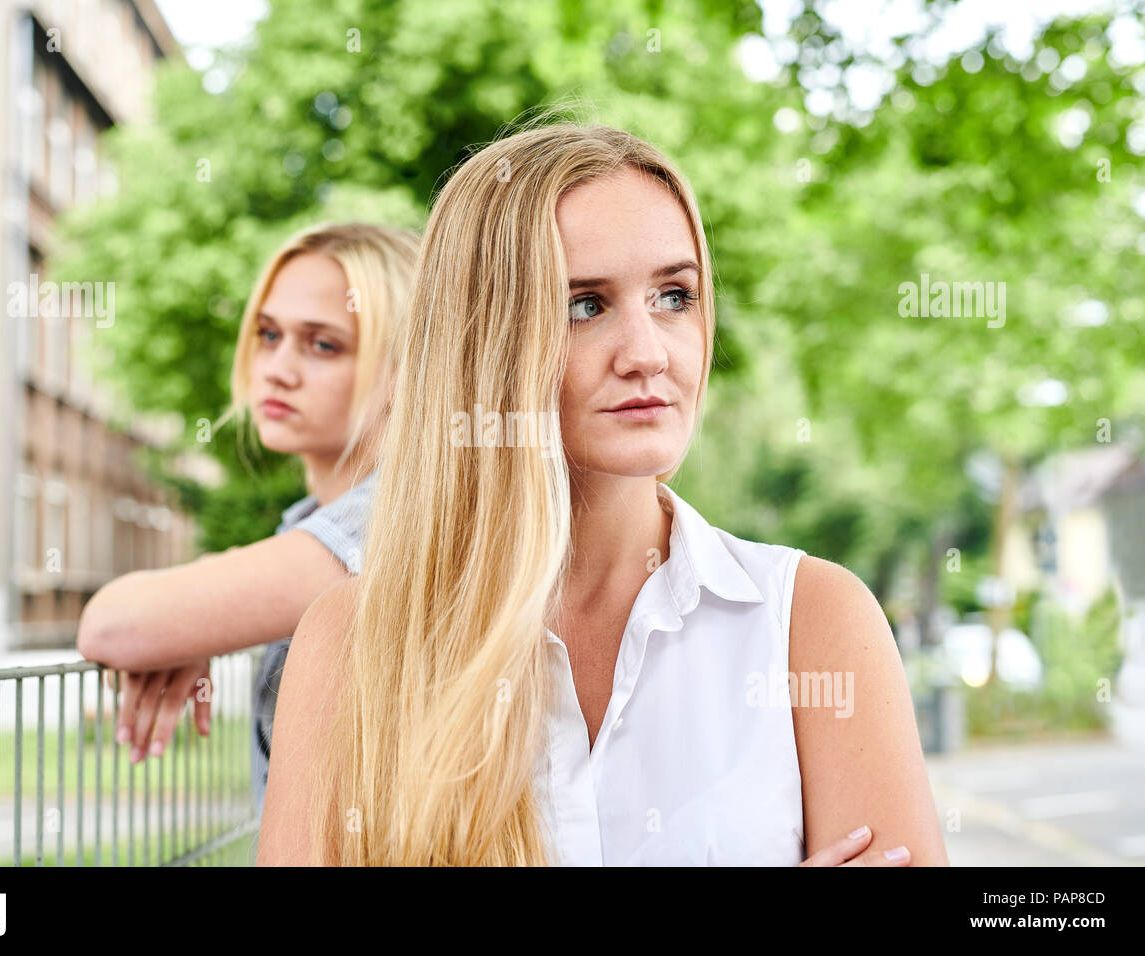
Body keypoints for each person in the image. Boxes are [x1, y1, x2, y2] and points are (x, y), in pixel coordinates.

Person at [257, 119, 950, 866]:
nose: (648, 354)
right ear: (481, 344)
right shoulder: (351, 645)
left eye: (675, 296)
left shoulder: (813, 621)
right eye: (584, 305)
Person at [76, 221, 419, 816]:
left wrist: (190, 616)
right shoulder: (316, 521)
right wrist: (204, 619)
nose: (277, 369)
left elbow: (110, 626)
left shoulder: (390, 516)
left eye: (323, 345)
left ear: (405, 368)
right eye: (268, 334)